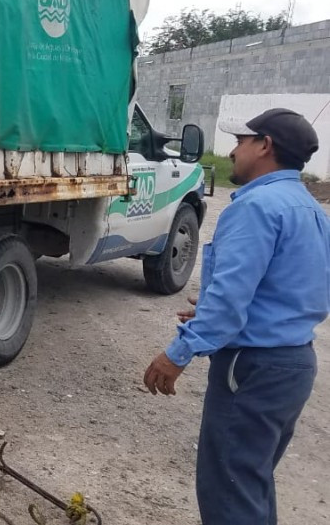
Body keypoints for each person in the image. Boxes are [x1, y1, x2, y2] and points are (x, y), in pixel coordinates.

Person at [143, 107, 329, 525]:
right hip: (294, 363)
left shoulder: (257, 206)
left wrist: (177, 353)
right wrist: (217, 312)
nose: (232, 151)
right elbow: (297, 289)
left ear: (265, 146)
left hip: (253, 368)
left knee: (229, 492)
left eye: (242, 141)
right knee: (251, 481)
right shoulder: (309, 207)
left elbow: (229, 302)